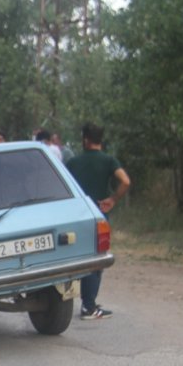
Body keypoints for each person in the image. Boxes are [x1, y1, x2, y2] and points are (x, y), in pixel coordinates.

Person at [66, 122, 132, 320]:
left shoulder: (73, 162)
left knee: (76, 258)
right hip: (98, 215)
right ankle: (89, 305)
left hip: (76, 216)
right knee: (96, 260)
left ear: (85, 140)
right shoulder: (109, 161)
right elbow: (126, 181)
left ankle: (71, 301)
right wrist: (112, 199)